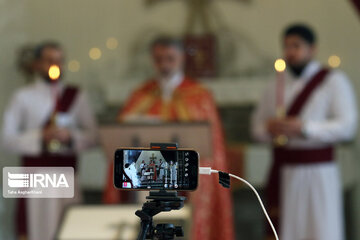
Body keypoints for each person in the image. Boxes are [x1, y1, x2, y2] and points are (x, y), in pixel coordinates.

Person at [103, 36, 235, 240]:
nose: (164, 64)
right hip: (146, 174)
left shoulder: (200, 95)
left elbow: (212, 142)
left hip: (185, 176)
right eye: (159, 59)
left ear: (182, 58)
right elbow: (122, 136)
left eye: (170, 58)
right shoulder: (140, 94)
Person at [251, 24, 358, 240]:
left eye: (296, 46)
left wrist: (306, 128)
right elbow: (256, 129)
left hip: (319, 172)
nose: (290, 52)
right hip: (284, 171)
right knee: (287, 232)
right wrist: (269, 129)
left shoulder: (333, 81)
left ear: (312, 49)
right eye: (287, 46)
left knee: (321, 229)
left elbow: (348, 126)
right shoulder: (274, 86)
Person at [1, 41, 97, 240]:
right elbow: (6, 139)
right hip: (33, 176)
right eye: (49, 60)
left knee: (68, 230)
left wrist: (70, 137)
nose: (56, 65)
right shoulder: (22, 96)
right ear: (37, 64)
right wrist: (40, 137)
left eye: (60, 60)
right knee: (35, 230)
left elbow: (94, 136)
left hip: (66, 174)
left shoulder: (76, 96)